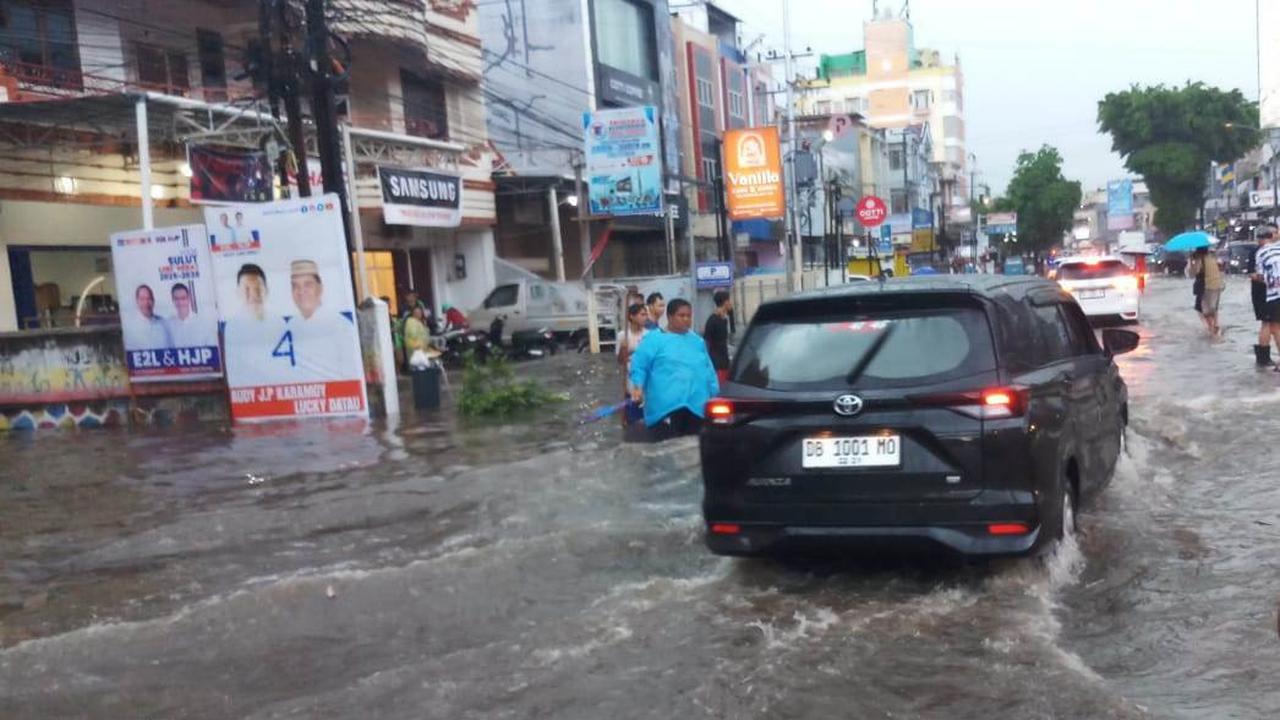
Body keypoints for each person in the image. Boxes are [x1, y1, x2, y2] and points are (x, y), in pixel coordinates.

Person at [628, 299, 720, 440]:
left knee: (693, 452)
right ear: (670, 317)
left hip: (696, 406)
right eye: (681, 315)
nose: (686, 319)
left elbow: (709, 371)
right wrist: (637, 386)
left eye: (689, 316)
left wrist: (715, 395)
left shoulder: (697, 342)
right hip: (665, 408)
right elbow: (639, 365)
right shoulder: (654, 340)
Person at [286, 259, 362, 377]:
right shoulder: (291, 325)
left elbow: (351, 371)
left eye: (308, 285)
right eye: (295, 286)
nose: (301, 292)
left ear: (319, 288)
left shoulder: (339, 323)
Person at [617, 302, 650, 430]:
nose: (645, 317)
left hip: (647, 380)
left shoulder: (649, 335)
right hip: (631, 380)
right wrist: (623, 349)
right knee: (633, 419)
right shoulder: (622, 336)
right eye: (642, 315)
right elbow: (620, 361)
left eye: (646, 314)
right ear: (632, 316)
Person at [1250, 227, 1276, 366]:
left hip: (1264, 293)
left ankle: (1263, 358)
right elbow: (1253, 275)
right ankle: (1263, 358)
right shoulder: (1259, 252)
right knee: (1268, 324)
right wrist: (1270, 279)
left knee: (1269, 324)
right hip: (1264, 293)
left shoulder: (1260, 251)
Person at [1256, 230, 1280, 372]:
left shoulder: (1260, 253)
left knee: (1276, 327)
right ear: (1272, 237)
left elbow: (1261, 277)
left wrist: (1254, 277)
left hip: (1274, 295)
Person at [124, 284, 173, 350]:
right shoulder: (131, 328)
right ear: (137, 301)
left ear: (153, 301)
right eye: (142, 299)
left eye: (149, 298)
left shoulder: (163, 323)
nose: (146, 303)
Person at [1189, 247, 1224, 337]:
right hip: (1217, 286)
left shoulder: (1200, 259)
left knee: (1204, 311)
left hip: (1207, 287)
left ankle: (1212, 331)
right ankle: (1215, 325)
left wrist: (1191, 262)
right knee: (1213, 308)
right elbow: (1220, 268)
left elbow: (1193, 273)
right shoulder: (1213, 257)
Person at [165, 283, 213, 347]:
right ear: (172, 300)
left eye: (183, 298)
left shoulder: (203, 323)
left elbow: (211, 350)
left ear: (189, 298)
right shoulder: (168, 325)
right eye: (176, 299)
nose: (180, 302)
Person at [704, 290, 733, 383]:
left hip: (724, 362)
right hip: (716, 364)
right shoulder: (712, 320)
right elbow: (706, 343)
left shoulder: (725, 319)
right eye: (729, 301)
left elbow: (732, 332)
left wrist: (731, 314)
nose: (730, 304)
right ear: (725, 302)